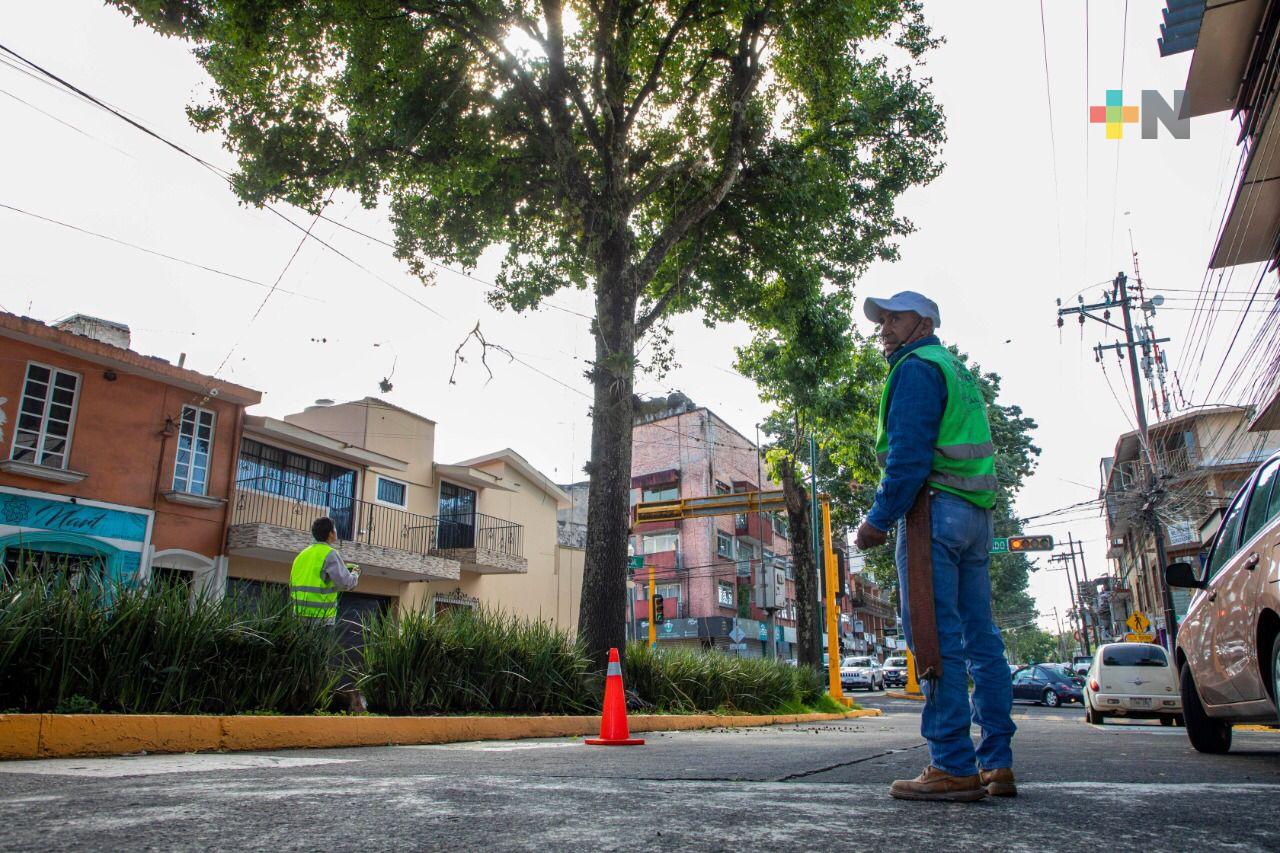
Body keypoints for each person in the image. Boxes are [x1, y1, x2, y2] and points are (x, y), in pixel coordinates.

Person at [853, 291, 1017, 803]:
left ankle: (950, 764)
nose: (884, 327)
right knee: (982, 639)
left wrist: (878, 519)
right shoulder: (956, 370)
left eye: (894, 318)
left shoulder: (917, 368)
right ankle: (997, 763)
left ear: (922, 324)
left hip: (933, 512)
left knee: (934, 634)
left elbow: (908, 455)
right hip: (974, 515)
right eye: (881, 319)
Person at [290, 516, 361, 623]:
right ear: (330, 533)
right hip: (321, 619)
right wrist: (355, 574)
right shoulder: (330, 554)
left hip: (298, 617)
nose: (336, 531)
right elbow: (346, 583)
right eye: (335, 529)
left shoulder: (301, 555)